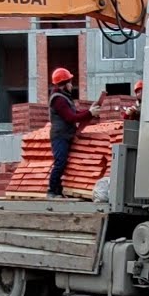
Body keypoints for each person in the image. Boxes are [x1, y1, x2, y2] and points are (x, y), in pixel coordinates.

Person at [48, 68, 101, 199]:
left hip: (66, 135)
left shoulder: (64, 98)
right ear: (64, 84)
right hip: (60, 136)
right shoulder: (58, 100)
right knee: (60, 162)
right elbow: (70, 117)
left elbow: (75, 113)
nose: (72, 85)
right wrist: (89, 113)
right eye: (70, 82)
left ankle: (58, 191)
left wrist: (89, 111)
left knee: (63, 162)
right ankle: (51, 191)